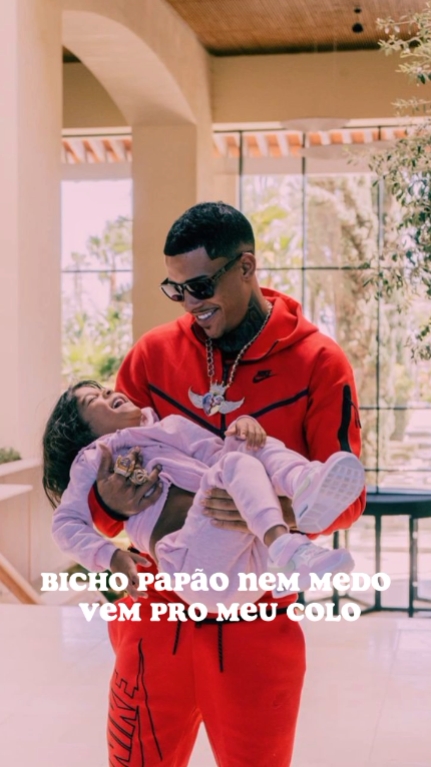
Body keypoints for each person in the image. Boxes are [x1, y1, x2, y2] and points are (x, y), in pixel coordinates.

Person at [80, 202, 366, 767]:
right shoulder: (150, 357)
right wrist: (107, 504)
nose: (190, 303)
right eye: (176, 289)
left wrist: (272, 511)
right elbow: (101, 482)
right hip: (154, 618)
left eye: (201, 286)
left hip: (257, 623)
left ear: (246, 267)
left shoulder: (319, 362)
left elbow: (348, 496)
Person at [46, 382, 365, 609]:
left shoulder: (170, 428)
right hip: (192, 564)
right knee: (236, 463)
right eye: (93, 399)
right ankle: (288, 548)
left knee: (248, 443)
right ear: (82, 432)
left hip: (243, 561)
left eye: (105, 389)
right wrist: (110, 556)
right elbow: (65, 524)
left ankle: (303, 483)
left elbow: (218, 457)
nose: (108, 393)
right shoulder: (93, 458)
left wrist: (242, 430)